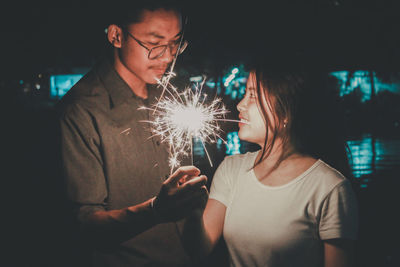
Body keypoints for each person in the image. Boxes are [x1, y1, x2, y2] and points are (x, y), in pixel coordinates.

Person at [57, 1, 208, 266]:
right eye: (155, 42)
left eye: (176, 42)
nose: (168, 56)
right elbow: (84, 225)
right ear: (116, 36)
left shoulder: (169, 93)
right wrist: (156, 211)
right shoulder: (82, 111)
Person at [182, 66, 358, 267]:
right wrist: (192, 209)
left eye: (253, 96)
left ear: (285, 113)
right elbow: (199, 250)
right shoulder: (231, 169)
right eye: (244, 94)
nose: (240, 105)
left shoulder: (329, 188)